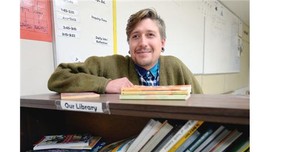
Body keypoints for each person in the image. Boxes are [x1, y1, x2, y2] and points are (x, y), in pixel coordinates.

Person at [48, 8, 203, 94]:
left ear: (162, 42)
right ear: (129, 43)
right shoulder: (111, 65)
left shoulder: (175, 67)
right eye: (135, 36)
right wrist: (105, 84)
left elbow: (203, 104)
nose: (143, 43)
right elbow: (58, 77)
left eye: (150, 35)